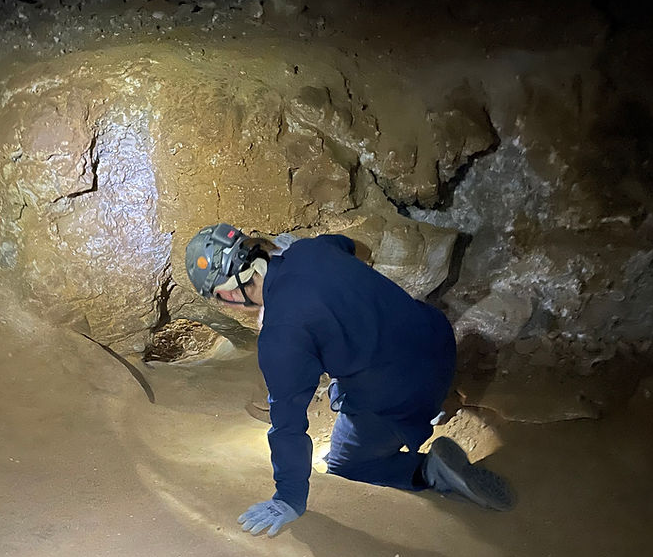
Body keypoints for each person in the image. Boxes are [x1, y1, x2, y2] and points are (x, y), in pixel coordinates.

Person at [186, 224, 513, 537]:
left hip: (404, 389)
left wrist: (288, 497)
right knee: (346, 363)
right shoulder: (308, 250)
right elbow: (344, 244)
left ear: (229, 295)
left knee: (346, 465)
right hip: (436, 338)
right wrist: (294, 254)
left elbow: (287, 423)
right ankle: (429, 406)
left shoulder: (281, 334)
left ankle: (430, 471)